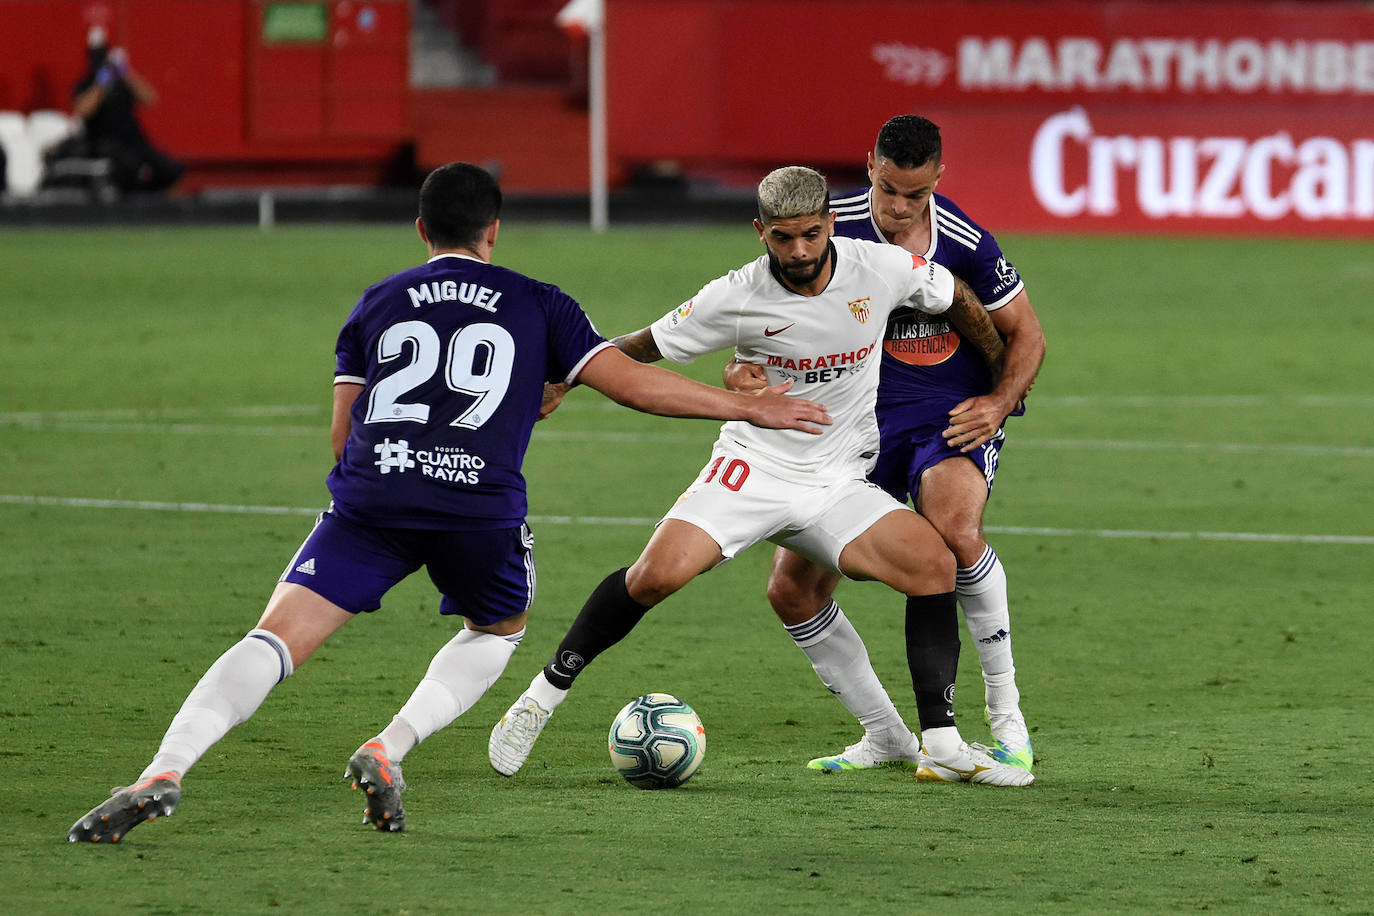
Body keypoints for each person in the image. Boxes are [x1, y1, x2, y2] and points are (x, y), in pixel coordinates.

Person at [66, 162, 831, 843]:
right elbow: (632, 384)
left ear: (422, 229)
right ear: (495, 229)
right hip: (479, 510)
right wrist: (747, 408)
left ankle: (162, 771)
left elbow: (342, 435)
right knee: (498, 626)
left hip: (375, 498)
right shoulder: (538, 302)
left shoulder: (378, 301)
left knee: (275, 637)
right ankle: (387, 746)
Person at [488, 165, 1035, 788]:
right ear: (760, 232)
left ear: (830, 223)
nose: (798, 251)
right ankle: (540, 698)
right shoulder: (736, 295)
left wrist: (996, 382)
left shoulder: (880, 268)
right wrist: (564, 374)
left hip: (835, 480)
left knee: (934, 565)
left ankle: (936, 743)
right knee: (654, 577)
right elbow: (644, 344)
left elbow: (955, 296)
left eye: (809, 234)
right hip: (753, 469)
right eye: (782, 238)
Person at [726, 115, 1046, 772]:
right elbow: (758, 322)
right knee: (791, 592)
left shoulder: (961, 239)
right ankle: (887, 734)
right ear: (869, 163)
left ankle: (1007, 716)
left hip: (945, 417)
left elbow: (1028, 334)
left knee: (955, 532)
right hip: (851, 429)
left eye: (915, 195)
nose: (899, 209)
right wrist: (745, 372)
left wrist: (997, 401)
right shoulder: (823, 226)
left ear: (938, 179)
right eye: (889, 189)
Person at [69, 26, 183, 193]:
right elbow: (82, 110)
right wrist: (101, 85)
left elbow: (150, 99)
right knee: (131, 169)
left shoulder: (123, 81)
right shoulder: (86, 84)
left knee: (171, 170)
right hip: (106, 145)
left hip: (135, 141)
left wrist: (127, 73)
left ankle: (147, 199)